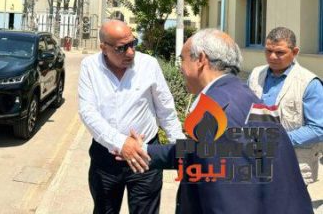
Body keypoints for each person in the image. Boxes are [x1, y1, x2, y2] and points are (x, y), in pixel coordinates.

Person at [138, 28, 312, 213]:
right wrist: (144, 150)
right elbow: (199, 152)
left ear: (201, 59)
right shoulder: (239, 94)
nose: (180, 67)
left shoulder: (216, 114)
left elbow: (229, 203)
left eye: (183, 59)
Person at [78, 20, 184, 214]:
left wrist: (181, 153)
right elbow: (87, 112)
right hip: (106, 159)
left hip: (146, 157)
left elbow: (166, 110)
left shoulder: (148, 65)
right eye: (121, 48)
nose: (130, 52)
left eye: (133, 43)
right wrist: (121, 143)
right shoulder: (89, 67)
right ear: (104, 48)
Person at [247, 26, 323, 184]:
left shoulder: (309, 83)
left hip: (292, 164)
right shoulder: (255, 75)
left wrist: (277, 139)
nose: (272, 57)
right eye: (268, 51)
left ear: (295, 52)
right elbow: (244, 109)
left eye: (280, 52)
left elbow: (318, 128)